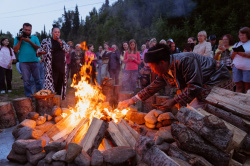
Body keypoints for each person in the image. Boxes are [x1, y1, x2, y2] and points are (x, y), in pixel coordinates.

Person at [118, 44, 234, 110]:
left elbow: (194, 87)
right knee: (185, 104)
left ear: (162, 62)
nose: (152, 70)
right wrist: (131, 100)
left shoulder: (186, 60)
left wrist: (173, 101)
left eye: (152, 67)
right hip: (203, 83)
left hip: (218, 77)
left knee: (198, 109)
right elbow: (152, 87)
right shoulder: (165, 69)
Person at [37, 25, 69, 99]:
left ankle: (59, 100)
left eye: (58, 32)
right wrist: (43, 54)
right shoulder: (46, 41)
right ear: (52, 33)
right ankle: (51, 99)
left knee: (60, 83)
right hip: (51, 66)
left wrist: (61, 43)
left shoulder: (62, 42)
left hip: (62, 66)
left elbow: (67, 50)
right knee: (52, 83)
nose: (57, 34)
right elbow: (39, 51)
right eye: (55, 32)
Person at [13, 23, 42, 97]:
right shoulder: (17, 38)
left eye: (29, 30)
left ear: (31, 30)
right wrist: (20, 40)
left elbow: (38, 48)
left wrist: (29, 41)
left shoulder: (35, 38)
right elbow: (15, 50)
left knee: (38, 80)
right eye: (25, 30)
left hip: (35, 61)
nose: (27, 31)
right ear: (22, 29)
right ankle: (29, 96)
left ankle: (40, 95)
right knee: (26, 81)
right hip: (23, 62)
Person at [231, 27, 250, 93]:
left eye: (243, 35)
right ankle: (237, 101)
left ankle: (246, 102)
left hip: (248, 68)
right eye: (240, 35)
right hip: (236, 67)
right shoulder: (236, 44)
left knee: (247, 86)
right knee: (238, 85)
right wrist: (234, 53)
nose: (241, 37)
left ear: (247, 35)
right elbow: (232, 57)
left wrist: (244, 54)